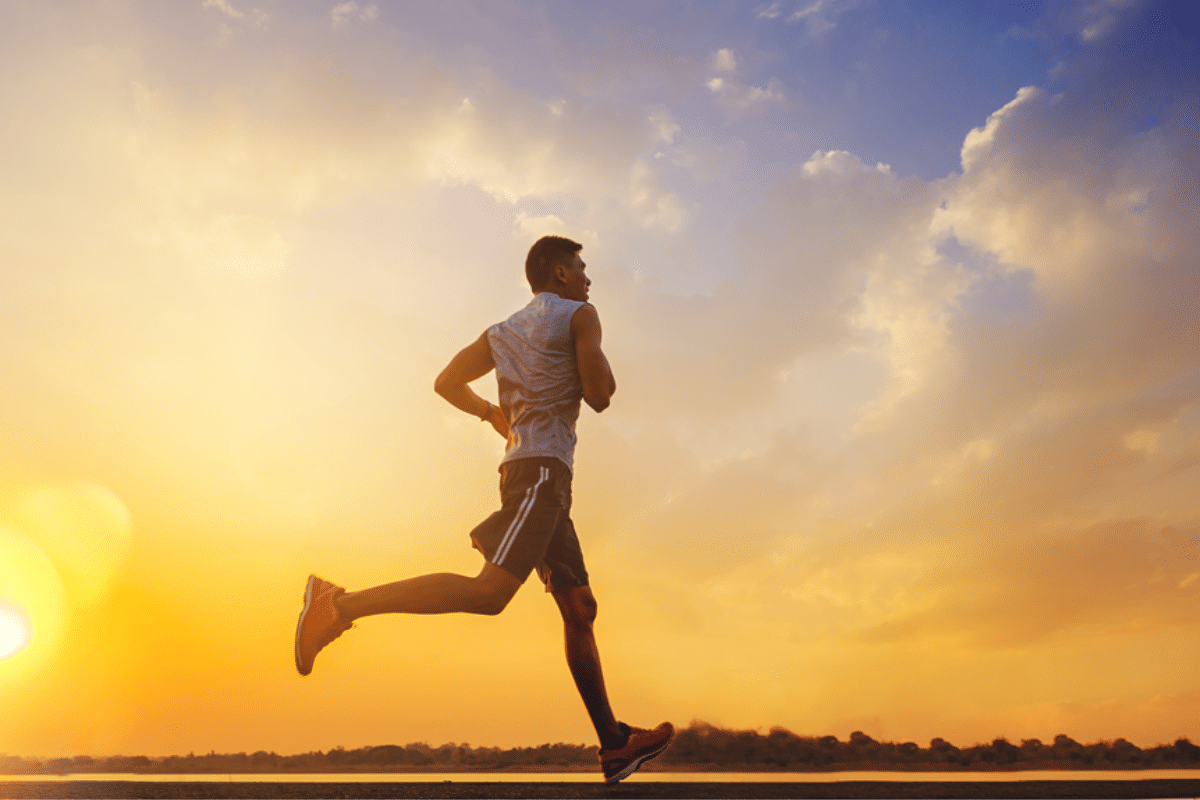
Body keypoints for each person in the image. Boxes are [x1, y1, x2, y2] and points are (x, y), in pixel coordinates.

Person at [294, 235, 674, 783]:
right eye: (581, 268)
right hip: (541, 474)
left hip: (535, 474)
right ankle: (340, 604)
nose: (589, 279)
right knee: (490, 594)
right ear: (560, 274)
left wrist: (490, 415)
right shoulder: (581, 314)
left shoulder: (502, 331)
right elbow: (600, 394)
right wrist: (595, 348)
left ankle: (614, 744)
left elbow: (447, 382)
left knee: (579, 607)